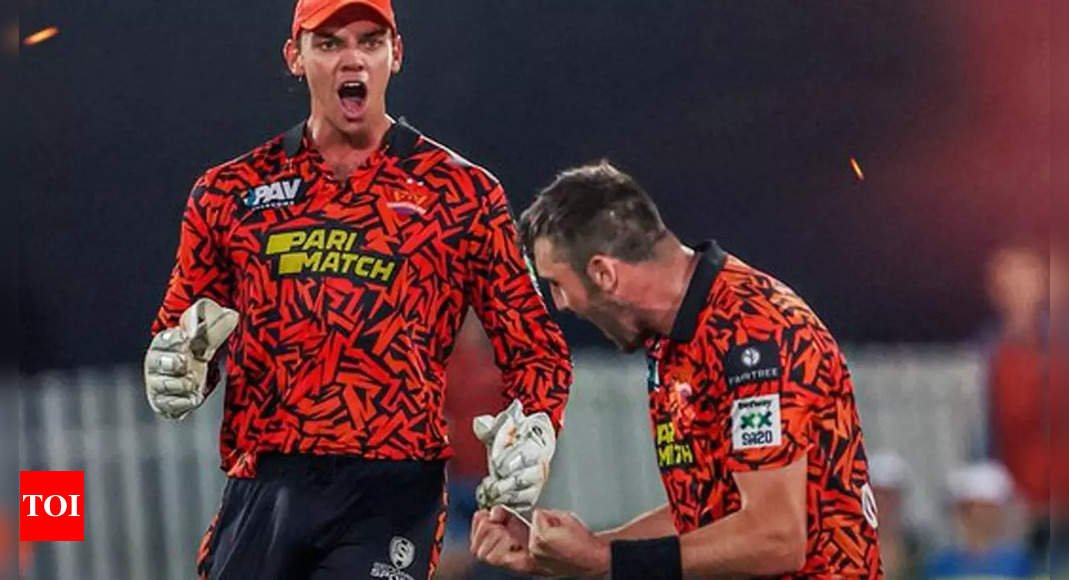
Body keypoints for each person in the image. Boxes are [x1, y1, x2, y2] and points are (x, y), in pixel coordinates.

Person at [141, 1, 572, 578]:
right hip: (265, 480)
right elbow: (182, 334)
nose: (353, 59)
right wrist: (175, 369)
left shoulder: (462, 193)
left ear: (397, 54)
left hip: (393, 486)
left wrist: (537, 426)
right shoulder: (229, 193)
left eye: (370, 41)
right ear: (294, 57)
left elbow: (537, 349)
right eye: (329, 42)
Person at [470, 161, 882, 578]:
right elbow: (706, 512)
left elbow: (776, 539)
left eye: (557, 284)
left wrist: (606, 560)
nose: (560, 304)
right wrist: (577, 553)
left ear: (603, 273)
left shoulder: (754, 332)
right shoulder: (674, 336)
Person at [923, 462, 1034, 579]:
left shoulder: (1018, 563)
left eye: (990, 508)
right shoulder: (941, 564)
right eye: (980, 508)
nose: (985, 516)